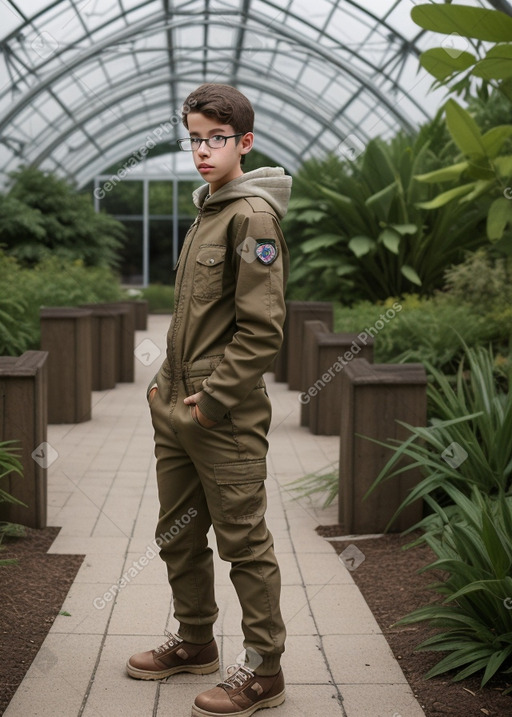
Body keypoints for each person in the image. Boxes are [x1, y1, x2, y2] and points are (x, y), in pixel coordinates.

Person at [126, 82, 291, 717]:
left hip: (221, 414)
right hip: (176, 405)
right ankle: (195, 641)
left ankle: (263, 671)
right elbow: (193, 317)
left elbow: (262, 329)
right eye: (194, 138)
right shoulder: (209, 210)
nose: (202, 149)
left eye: (215, 139)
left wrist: (213, 401)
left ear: (243, 143)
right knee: (177, 532)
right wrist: (162, 387)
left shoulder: (252, 216)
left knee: (244, 543)